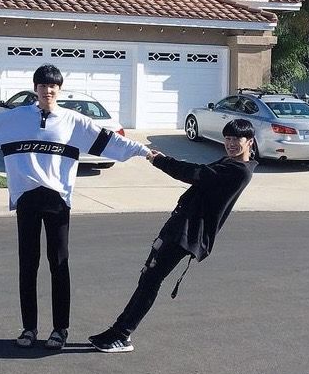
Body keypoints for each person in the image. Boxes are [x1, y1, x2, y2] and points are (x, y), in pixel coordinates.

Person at [0, 64, 151, 350]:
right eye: (43, 86)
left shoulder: (73, 121)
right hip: (26, 199)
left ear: (59, 89)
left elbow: (109, 141)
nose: (48, 90)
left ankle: (60, 330)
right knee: (27, 265)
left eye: (53, 86)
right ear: (36, 89)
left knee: (59, 265)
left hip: (57, 201)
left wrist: (143, 151)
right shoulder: (15, 118)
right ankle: (29, 328)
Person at [88, 118, 257, 353]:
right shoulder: (231, 163)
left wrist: (158, 160)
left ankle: (122, 333)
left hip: (188, 232)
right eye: (227, 138)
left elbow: (194, 173)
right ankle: (118, 331)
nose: (229, 144)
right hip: (180, 226)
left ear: (249, 142)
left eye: (235, 139)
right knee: (148, 277)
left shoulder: (237, 171)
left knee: (151, 279)